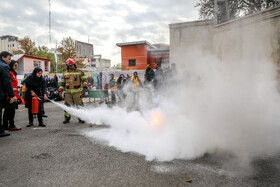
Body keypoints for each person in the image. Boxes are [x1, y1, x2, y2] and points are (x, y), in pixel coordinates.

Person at [58, 58, 87, 124]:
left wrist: (85, 86)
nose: (71, 66)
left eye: (72, 65)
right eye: (70, 65)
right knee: (67, 105)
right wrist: (60, 90)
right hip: (68, 92)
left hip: (77, 92)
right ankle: (67, 118)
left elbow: (84, 79)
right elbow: (62, 83)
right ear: (67, 66)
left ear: (74, 65)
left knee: (79, 105)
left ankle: (81, 118)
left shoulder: (79, 72)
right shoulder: (65, 73)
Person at [0, 51, 17, 137]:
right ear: (3, 57)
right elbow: (7, 83)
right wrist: (12, 95)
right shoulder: (4, 67)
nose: (10, 61)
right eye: (9, 59)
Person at [3, 60, 21, 131]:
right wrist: (11, 96)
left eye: (17, 65)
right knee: (9, 111)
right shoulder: (10, 73)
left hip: (14, 95)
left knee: (10, 111)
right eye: (15, 65)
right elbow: (8, 85)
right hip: (11, 96)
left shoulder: (13, 73)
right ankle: (10, 125)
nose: (16, 67)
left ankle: (6, 125)